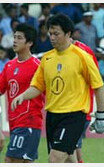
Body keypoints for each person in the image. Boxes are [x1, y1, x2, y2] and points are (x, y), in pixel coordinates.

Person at [11, 14, 104, 163]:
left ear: (68, 34)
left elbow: (99, 86)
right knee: (68, 160)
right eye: (50, 33)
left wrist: (101, 115)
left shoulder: (82, 56)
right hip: (52, 116)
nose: (52, 37)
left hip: (73, 116)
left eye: (56, 34)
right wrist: (22, 96)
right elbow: (37, 86)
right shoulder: (47, 58)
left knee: (54, 159)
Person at [0, 23, 43, 163]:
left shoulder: (37, 66)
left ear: (29, 42)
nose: (15, 41)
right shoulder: (9, 66)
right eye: (14, 37)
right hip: (14, 122)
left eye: (19, 38)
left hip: (29, 122)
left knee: (10, 160)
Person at [71, 38, 98, 163]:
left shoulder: (83, 51)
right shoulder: (59, 51)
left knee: (67, 151)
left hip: (80, 109)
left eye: (56, 34)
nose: (53, 38)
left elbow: (95, 79)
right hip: (69, 109)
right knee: (72, 149)